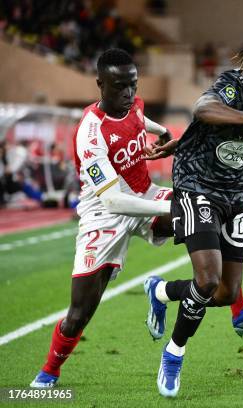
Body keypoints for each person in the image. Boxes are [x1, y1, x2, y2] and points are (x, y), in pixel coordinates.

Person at [147, 29, 243, 398]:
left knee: (226, 293)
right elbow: (203, 110)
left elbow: (206, 129)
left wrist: (183, 139)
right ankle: (174, 354)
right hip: (196, 184)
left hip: (236, 193)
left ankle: (162, 290)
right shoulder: (234, 85)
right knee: (209, 277)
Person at [30, 48, 175, 388]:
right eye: (120, 86)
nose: (129, 94)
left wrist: (164, 133)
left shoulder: (133, 105)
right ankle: (49, 372)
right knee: (79, 314)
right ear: (100, 84)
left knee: (203, 214)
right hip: (103, 216)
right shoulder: (90, 133)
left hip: (144, 194)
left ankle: (167, 294)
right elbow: (112, 201)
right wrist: (169, 208)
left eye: (133, 85)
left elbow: (142, 120)